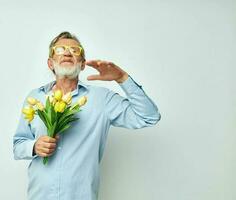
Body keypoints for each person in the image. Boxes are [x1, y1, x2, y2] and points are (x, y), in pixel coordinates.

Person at [13, 31, 161, 200]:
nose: (68, 53)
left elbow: (149, 116)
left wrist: (122, 78)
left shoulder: (102, 99)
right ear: (50, 63)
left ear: (83, 64)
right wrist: (34, 146)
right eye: (60, 49)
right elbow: (18, 145)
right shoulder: (35, 98)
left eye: (75, 50)